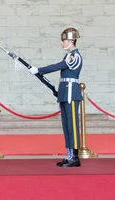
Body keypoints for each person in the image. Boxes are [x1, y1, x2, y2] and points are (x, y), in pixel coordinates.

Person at [28, 27, 83, 167]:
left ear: (71, 41)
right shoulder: (68, 55)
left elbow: (60, 66)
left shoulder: (75, 55)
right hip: (65, 92)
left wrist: (39, 70)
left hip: (71, 92)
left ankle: (75, 157)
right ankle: (69, 154)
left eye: (64, 40)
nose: (62, 43)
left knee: (72, 125)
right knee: (66, 125)